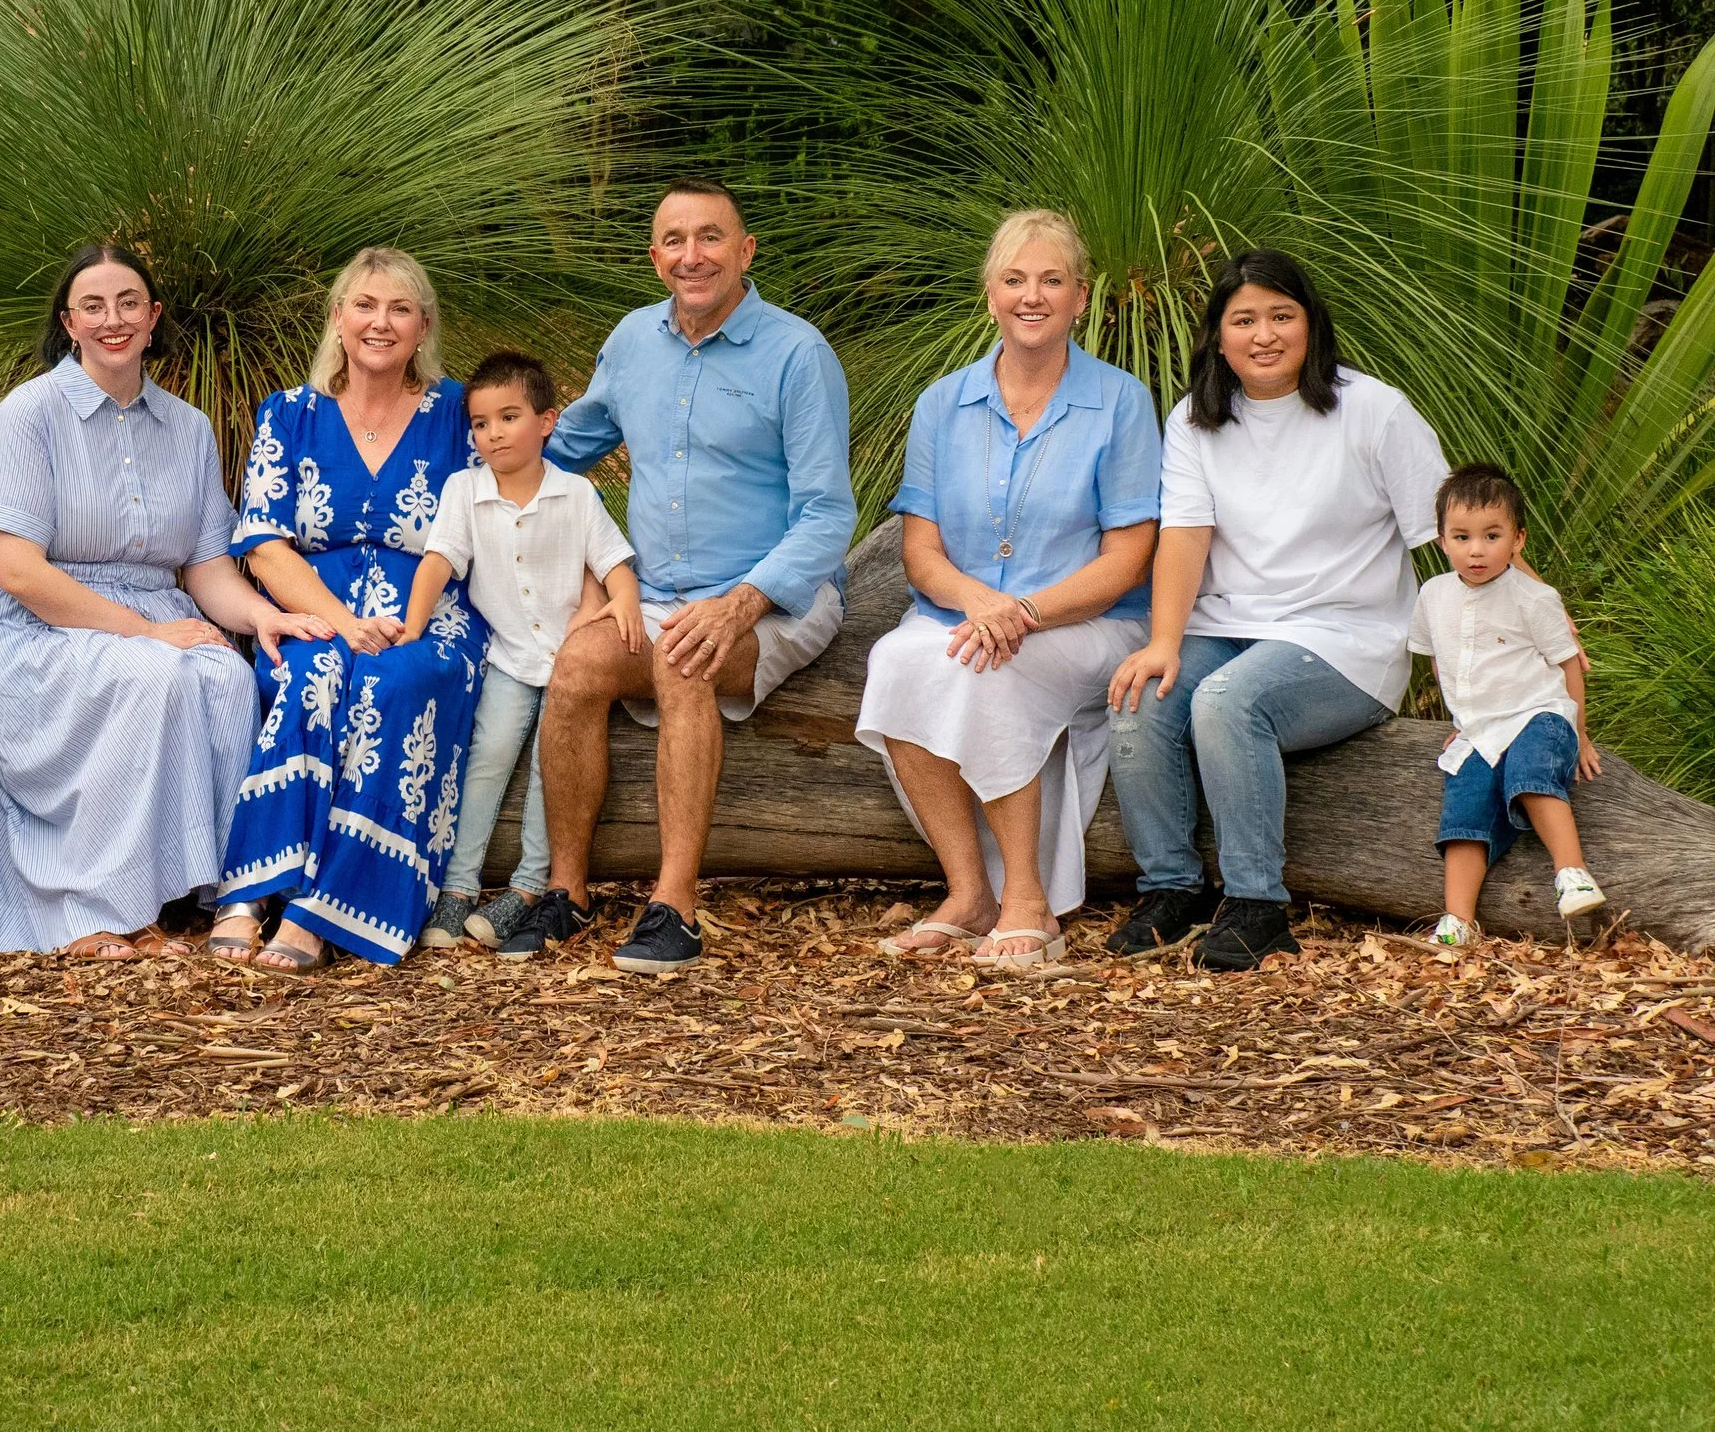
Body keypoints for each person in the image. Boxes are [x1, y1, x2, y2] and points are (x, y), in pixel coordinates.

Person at [0, 245, 329, 959]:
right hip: (37, 623)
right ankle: (99, 909)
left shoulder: (188, 428)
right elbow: (18, 572)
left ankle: (213, 896)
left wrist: (262, 613)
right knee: (153, 674)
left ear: (153, 319)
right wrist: (146, 631)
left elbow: (206, 571)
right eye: (93, 305)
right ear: (69, 323)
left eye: (128, 303)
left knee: (228, 679)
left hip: (156, 614)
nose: (112, 319)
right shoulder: (29, 413)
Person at [509, 181, 856, 974]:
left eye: (710, 238)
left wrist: (740, 604)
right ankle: (567, 891)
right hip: (657, 591)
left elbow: (828, 515)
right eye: (674, 240)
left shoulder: (798, 353)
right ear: (655, 254)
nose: (691, 255)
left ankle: (675, 904)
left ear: (745, 252)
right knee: (576, 666)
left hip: (774, 593)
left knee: (684, 653)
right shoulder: (633, 341)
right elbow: (562, 452)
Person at [1105, 248, 1451, 971]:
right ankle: (1172, 887)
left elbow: (1451, 535)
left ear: (1310, 323)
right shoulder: (1196, 420)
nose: (1264, 335)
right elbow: (1185, 537)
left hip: (1344, 639)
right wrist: (1164, 639)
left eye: (1281, 315)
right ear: (1218, 336)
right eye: (1244, 319)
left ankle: (1258, 904)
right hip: (1225, 627)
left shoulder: (1373, 409)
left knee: (1228, 702)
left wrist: (1532, 621)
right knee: (1139, 695)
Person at [855, 210, 1160, 967]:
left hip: (1088, 624)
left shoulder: (1121, 402)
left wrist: (1022, 612)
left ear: (1080, 298)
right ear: (990, 295)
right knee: (895, 660)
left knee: (993, 664)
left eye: (1052, 280)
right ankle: (968, 893)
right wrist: (980, 602)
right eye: (1015, 280)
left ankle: (1029, 900)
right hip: (964, 612)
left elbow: (1128, 558)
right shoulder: (942, 403)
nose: (1033, 295)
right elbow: (920, 550)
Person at [210, 248, 491, 971]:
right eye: (364, 305)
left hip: (428, 612)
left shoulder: (459, 415)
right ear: (337, 318)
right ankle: (251, 888)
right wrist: (339, 618)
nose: (380, 321)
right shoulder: (289, 414)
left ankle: (322, 908)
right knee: (310, 676)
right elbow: (266, 547)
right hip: (312, 605)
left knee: (390, 684)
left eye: (400, 308)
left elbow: (504, 514)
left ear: (424, 325)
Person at [398, 350, 643, 952]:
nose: (493, 433)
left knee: (548, 770)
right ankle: (458, 889)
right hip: (509, 657)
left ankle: (529, 890)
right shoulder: (465, 489)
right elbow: (439, 560)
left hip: (569, 661)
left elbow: (613, 561)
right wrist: (410, 627)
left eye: (509, 417)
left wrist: (626, 603)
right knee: (489, 755)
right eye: (481, 424)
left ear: (547, 421)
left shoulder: (576, 494)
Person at [1410, 462, 1607, 954]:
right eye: (1462, 537)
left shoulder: (1534, 597)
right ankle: (1458, 920)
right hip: (1480, 727)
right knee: (1464, 807)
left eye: (1492, 535)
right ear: (1441, 540)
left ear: (1517, 540)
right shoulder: (1434, 594)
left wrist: (1577, 732)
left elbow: (1568, 666)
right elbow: (1441, 660)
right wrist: (1463, 720)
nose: (1476, 550)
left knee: (1530, 770)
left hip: (1538, 712)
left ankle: (1572, 873)